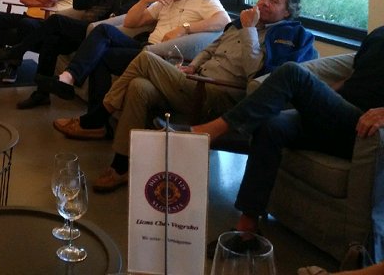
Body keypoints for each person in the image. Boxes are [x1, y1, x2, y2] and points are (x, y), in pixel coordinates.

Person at [162, 26, 384, 252]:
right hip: (340, 114)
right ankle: (247, 229)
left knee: (291, 72)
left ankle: (207, 133)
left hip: (364, 130)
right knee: (270, 124)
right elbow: (355, 78)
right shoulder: (378, 35)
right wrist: (321, 97)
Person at [88, 0, 316, 193]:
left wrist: (250, 30)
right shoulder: (239, 24)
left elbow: (255, 74)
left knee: (146, 58)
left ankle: (98, 116)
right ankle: (121, 166)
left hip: (221, 95)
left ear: (287, 12)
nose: (264, 3)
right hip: (196, 84)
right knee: (139, 86)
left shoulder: (286, 36)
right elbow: (210, 49)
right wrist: (193, 66)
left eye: (274, 1)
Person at [18, 0, 231, 109]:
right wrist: (147, 0)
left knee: (95, 45)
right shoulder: (164, 1)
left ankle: (82, 104)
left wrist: (184, 28)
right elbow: (131, 22)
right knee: (102, 31)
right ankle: (69, 81)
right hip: (144, 46)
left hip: (162, 55)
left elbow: (224, 21)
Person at [0, 0, 150, 87]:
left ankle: (15, 51)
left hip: (100, 32)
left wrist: (115, 13)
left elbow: (141, 2)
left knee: (56, 20)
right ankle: (41, 92)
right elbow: (80, 4)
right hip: (86, 27)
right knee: (51, 40)